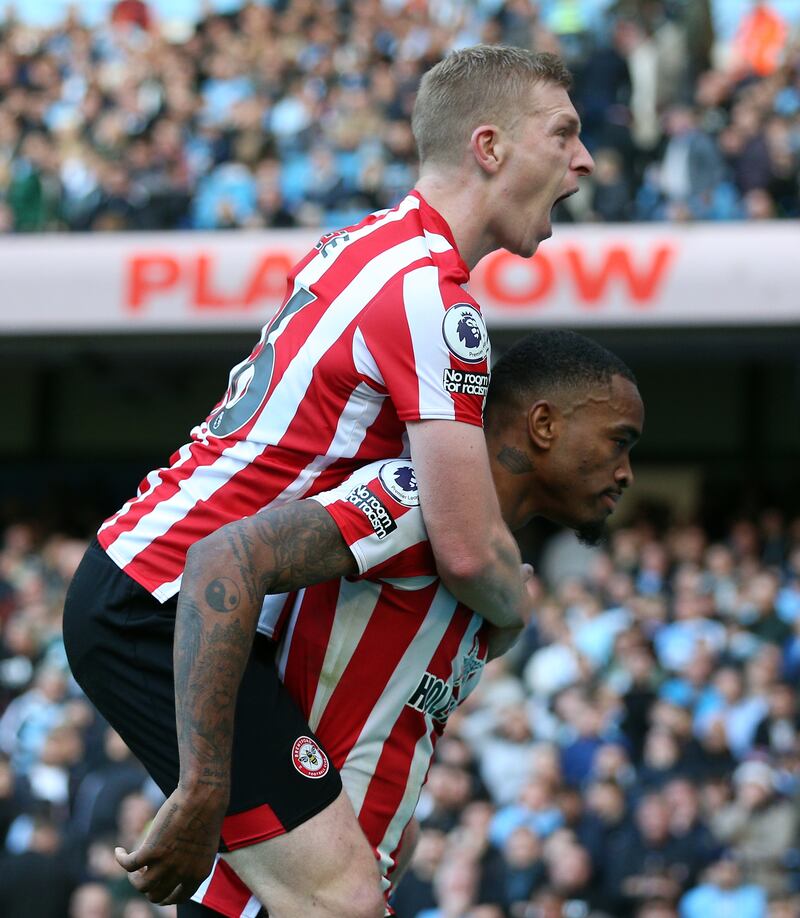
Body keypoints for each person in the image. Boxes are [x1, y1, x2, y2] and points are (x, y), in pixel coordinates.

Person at [63, 45, 594, 916]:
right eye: (564, 132)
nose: (584, 158)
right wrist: (515, 605)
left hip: (157, 583)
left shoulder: (366, 244)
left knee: (286, 892)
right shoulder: (436, 301)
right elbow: (465, 544)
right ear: (489, 147)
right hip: (168, 602)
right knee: (342, 897)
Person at [120, 330, 642, 916]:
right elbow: (222, 559)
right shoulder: (413, 501)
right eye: (619, 442)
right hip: (268, 898)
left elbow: (388, 736)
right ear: (543, 425)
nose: (625, 472)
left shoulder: (489, 575)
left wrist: (391, 837)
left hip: (341, 889)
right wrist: (203, 785)